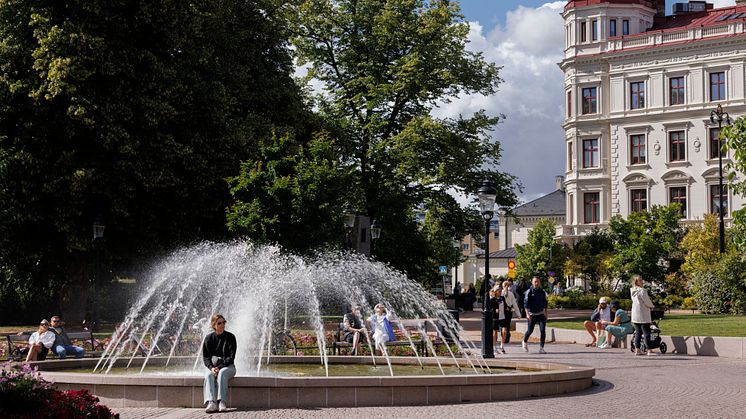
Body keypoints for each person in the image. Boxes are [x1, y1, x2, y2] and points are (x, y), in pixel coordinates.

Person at [202, 314, 237, 413]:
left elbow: (231, 357)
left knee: (222, 373)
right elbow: (206, 357)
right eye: (219, 323)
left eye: (224, 322)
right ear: (214, 325)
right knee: (208, 375)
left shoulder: (230, 337)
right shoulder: (209, 338)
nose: (222, 325)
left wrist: (219, 367)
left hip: (229, 367)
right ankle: (211, 402)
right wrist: (212, 368)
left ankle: (222, 402)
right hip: (213, 367)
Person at [630, 274, 657, 356]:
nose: (642, 281)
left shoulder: (632, 290)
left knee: (638, 332)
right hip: (643, 313)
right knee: (646, 332)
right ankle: (649, 350)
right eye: (640, 280)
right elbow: (647, 301)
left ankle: (637, 349)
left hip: (635, 313)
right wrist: (652, 306)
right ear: (637, 282)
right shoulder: (642, 290)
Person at [522, 276, 548, 354]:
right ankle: (524, 341)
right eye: (535, 282)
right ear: (532, 282)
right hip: (531, 314)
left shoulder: (542, 292)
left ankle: (541, 348)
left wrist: (546, 313)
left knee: (543, 330)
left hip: (540, 314)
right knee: (530, 331)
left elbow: (545, 303)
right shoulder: (529, 291)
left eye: (537, 282)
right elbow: (525, 304)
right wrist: (527, 314)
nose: (536, 283)